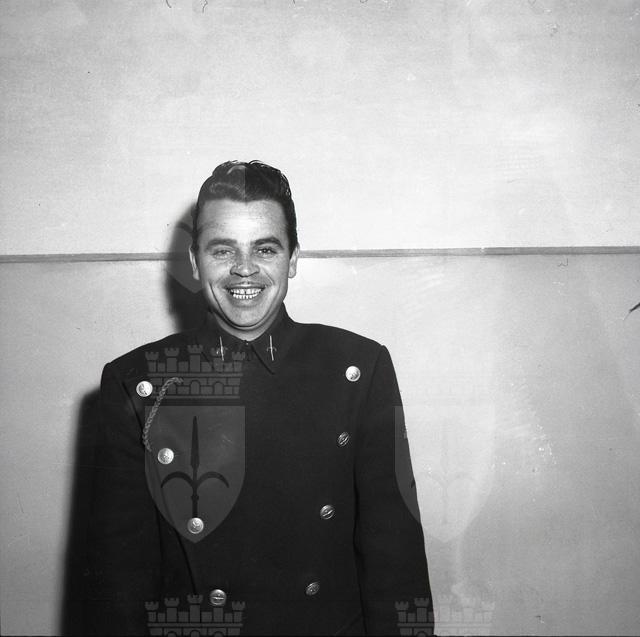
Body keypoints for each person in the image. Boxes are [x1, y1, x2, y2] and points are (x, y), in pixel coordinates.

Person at [81, 161, 433, 636]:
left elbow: (397, 562)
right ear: (194, 262)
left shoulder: (358, 369)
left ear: (292, 259)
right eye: (222, 249)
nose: (244, 268)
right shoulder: (136, 382)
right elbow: (118, 585)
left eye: (265, 249)